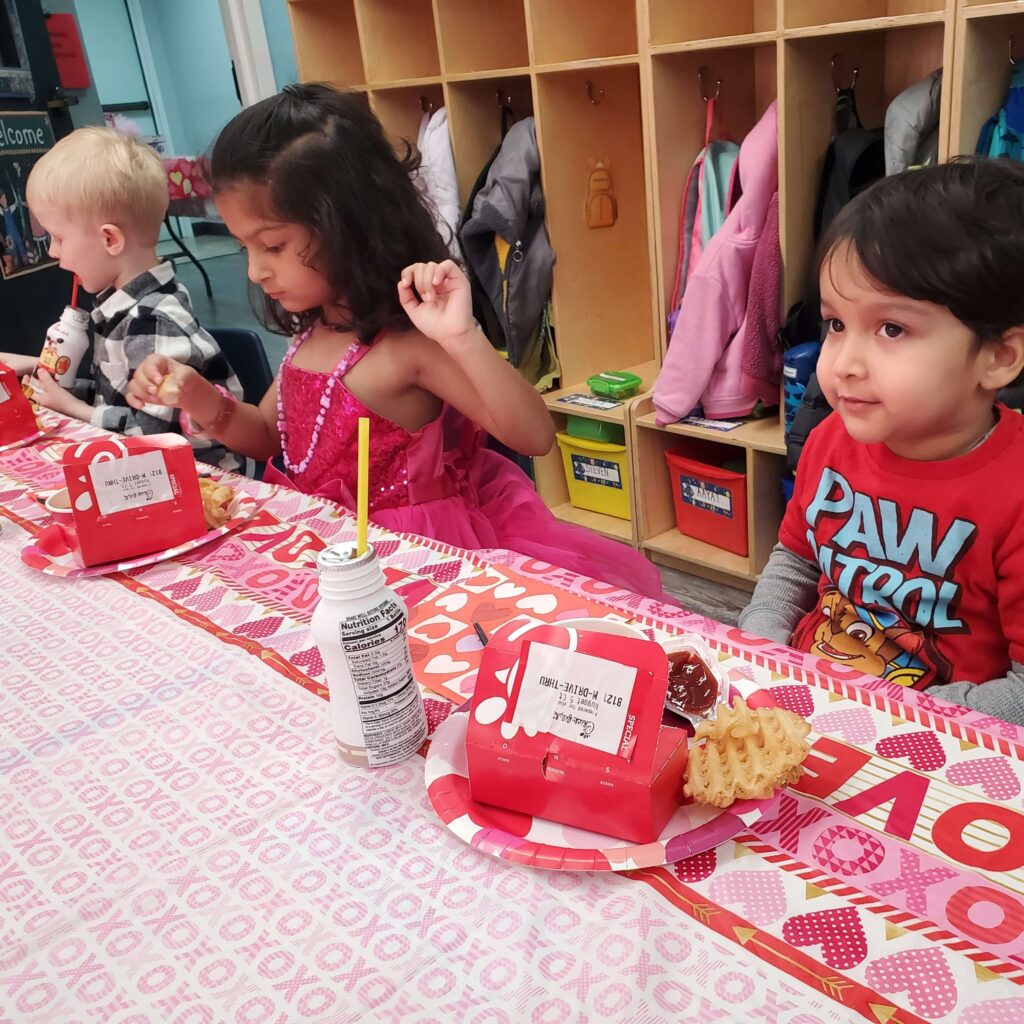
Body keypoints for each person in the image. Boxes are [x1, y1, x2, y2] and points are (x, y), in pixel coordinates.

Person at [126, 83, 666, 599]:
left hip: (422, 567)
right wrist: (201, 399)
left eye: (272, 246)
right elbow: (270, 436)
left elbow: (534, 435)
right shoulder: (312, 336)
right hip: (333, 559)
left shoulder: (408, 347)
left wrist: (463, 337)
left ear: (349, 226)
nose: (254, 271)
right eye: (244, 246)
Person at [739, 159, 1024, 722]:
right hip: (806, 691)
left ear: (998, 357)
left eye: (892, 329)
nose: (844, 363)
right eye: (836, 324)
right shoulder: (831, 438)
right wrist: (762, 640)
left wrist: (892, 715)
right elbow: (797, 558)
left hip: (932, 731)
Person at [0, 127, 241, 470]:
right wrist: (55, 384)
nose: (53, 252)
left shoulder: (152, 320)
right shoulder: (119, 307)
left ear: (110, 240)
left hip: (195, 477)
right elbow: (114, 398)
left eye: (59, 238)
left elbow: (151, 434)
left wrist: (71, 407)